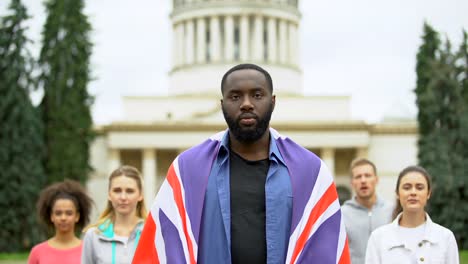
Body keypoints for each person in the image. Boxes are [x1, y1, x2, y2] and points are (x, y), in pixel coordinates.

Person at [133, 63, 350, 263]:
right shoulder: (187, 171)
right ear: (222, 104)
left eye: (257, 95)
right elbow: (163, 246)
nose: (246, 104)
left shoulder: (309, 172)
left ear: (273, 102)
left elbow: (325, 249)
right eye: (235, 96)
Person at [365, 165, 459, 264]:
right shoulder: (378, 238)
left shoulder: (445, 237)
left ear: (428, 193)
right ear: (397, 193)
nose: (413, 192)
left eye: (419, 188)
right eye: (407, 187)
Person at [81, 165, 147, 264]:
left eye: (129, 191)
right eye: (117, 190)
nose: (123, 197)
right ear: (109, 194)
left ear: (140, 195)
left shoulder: (153, 234)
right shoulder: (93, 236)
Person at [341, 158, 393, 264]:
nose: (363, 180)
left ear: (376, 179)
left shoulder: (391, 210)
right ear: (352, 182)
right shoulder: (341, 214)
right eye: (358, 177)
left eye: (367, 175)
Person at [28, 180, 93, 264]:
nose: (63, 218)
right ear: (52, 216)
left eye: (69, 213)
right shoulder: (37, 252)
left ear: (77, 216)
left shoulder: (88, 251)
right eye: (58, 213)